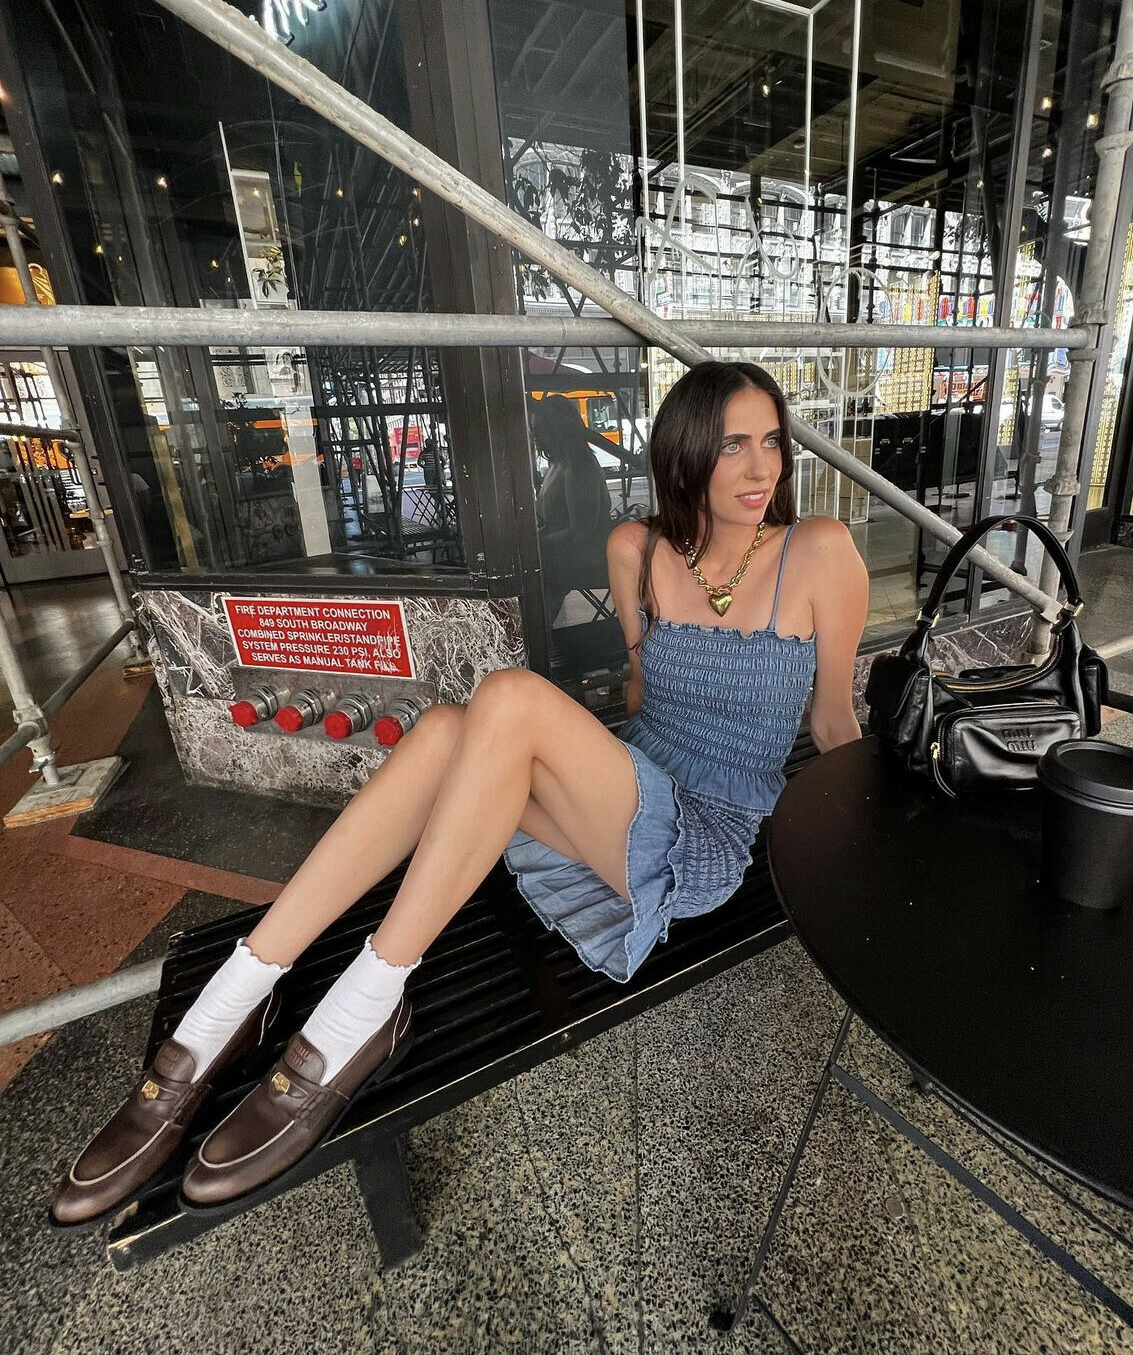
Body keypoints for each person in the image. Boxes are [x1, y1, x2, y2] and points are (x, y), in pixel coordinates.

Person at [50, 360, 869, 1225]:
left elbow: (832, 722)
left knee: (507, 699)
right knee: (444, 728)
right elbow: (640, 701)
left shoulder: (818, 551)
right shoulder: (637, 551)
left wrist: (870, 852)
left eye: (772, 441)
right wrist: (559, 763)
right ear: (686, 451)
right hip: (625, 792)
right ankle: (231, 1003)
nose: (761, 468)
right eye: (734, 445)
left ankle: (362, 1011)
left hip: (702, 833)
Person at [529, 394, 614, 618]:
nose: (535, 437)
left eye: (538, 430)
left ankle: (536, 626)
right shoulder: (558, 464)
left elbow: (582, 532)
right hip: (560, 552)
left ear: (555, 430)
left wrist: (538, 544)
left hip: (581, 557)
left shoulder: (579, 466)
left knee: (532, 571)